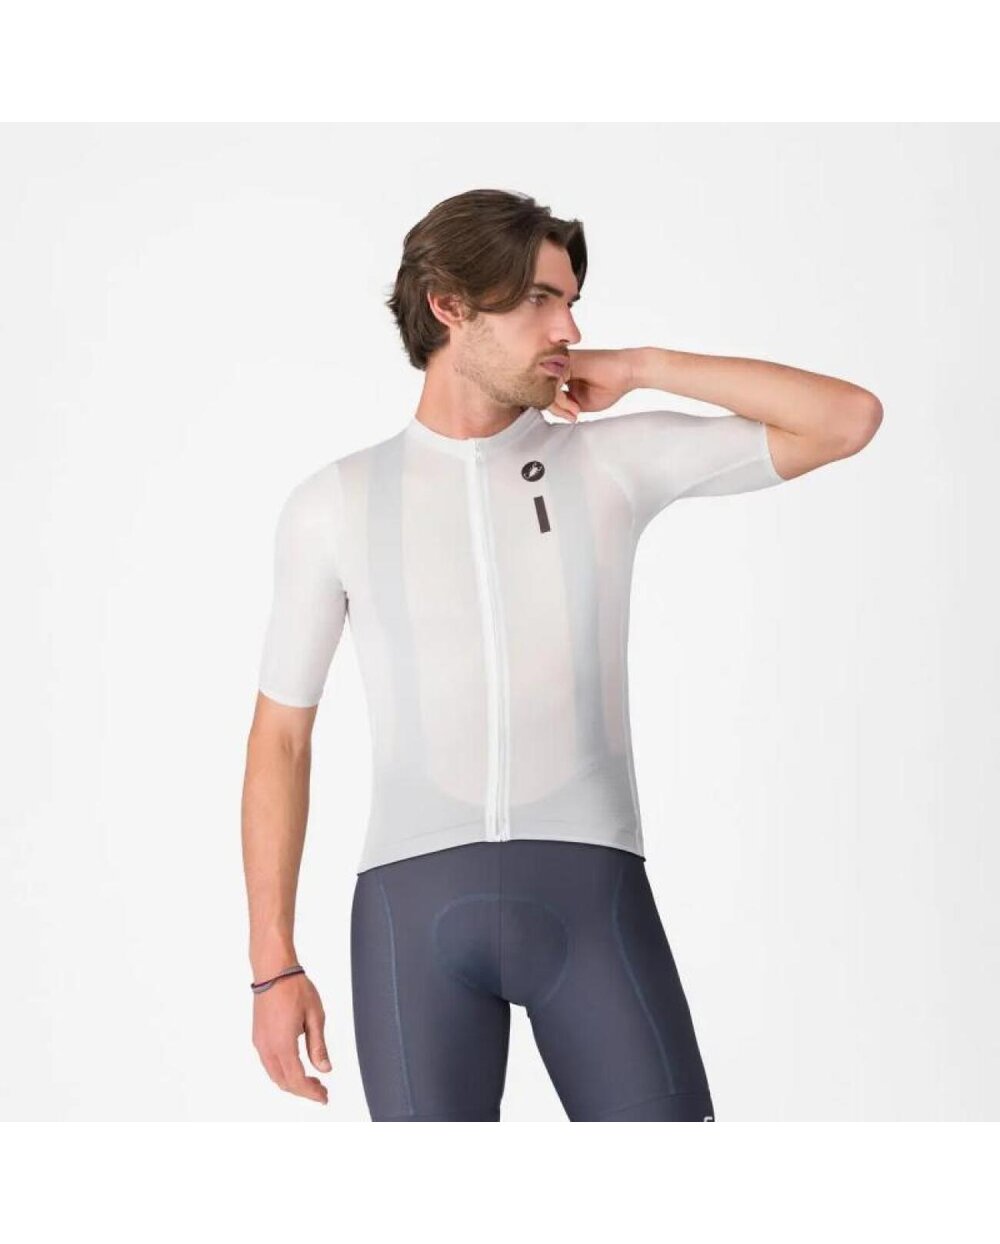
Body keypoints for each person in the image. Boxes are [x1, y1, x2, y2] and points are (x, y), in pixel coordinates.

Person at [241, 188, 882, 1121]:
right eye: (541, 299)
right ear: (449, 306)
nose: (570, 328)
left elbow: (847, 418)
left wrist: (644, 366)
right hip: (410, 915)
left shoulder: (612, 462)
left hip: (593, 899)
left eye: (573, 301)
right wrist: (273, 966)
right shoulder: (335, 503)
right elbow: (281, 741)